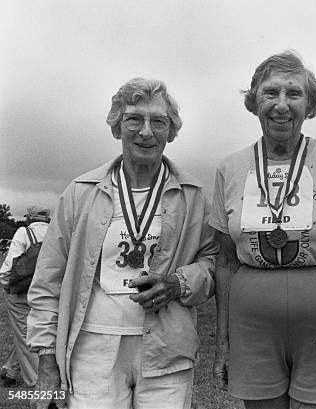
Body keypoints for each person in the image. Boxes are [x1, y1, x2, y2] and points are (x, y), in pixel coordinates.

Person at [26, 78, 218, 409]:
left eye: (159, 121)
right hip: (92, 350)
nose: (147, 131)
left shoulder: (193, 195)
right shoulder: (80, 192)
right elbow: (48, 279)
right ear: (117, 127)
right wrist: (46, 359)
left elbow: (214, 266)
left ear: (170, 132)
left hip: (167, 351)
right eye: (134, 119)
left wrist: (177, 283)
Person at [211, 51, 316, 409]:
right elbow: (223, 260)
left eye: (294, 94)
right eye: (270, 93)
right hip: (253, 327)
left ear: (310, 107)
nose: (281, 105)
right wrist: (222, 342)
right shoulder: (230, 167)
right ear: (254, 103)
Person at [0, 205, 50, 387]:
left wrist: (7, 286)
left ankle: (38, 382)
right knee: (36, 332)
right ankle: (10, 370)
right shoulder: (56, 233)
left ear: (29, 217)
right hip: (47, 293)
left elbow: (7, 268)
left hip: (21, 292)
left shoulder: (23, 232)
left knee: (24, 334)